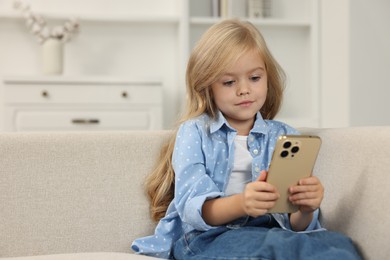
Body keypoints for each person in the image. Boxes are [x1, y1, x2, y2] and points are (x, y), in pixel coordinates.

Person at [132, 19, 361, 259]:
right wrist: (242, 203)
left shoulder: (284, 135)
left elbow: (295, 225)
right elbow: (192, 208)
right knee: (276, 247)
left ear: (267, 78)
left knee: (338, 244)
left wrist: (305, 208)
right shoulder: (195, 132)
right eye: (229, 82)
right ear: (207, 87)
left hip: (270, 233)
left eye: (254, 78)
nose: (244, 89)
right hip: (207, 238)